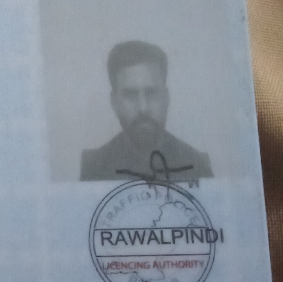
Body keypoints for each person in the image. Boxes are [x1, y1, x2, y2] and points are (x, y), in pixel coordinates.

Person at [80, 41, 212, 182]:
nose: (143, 108)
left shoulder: (196, 165)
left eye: (151, 93)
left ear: (166, 99)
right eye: (130, 95)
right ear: (114, 103)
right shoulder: (94, 168)